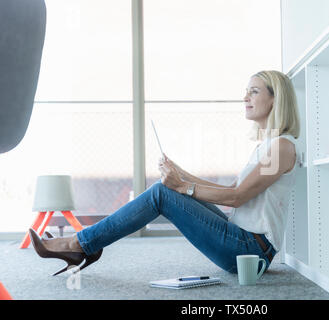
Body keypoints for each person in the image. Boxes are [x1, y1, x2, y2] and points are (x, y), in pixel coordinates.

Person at [29, 70, 301, 275]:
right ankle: (83, 243)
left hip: (251, 253)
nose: (245, 97)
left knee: (162, 193)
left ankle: (80, 244)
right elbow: (232, 189)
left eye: (253, 91)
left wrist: (183, 187)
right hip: (242, 239)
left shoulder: (281, 148)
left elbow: (236, 197)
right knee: (166, 189)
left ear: (276, 99)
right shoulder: (268, 146)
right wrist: (181, 175)